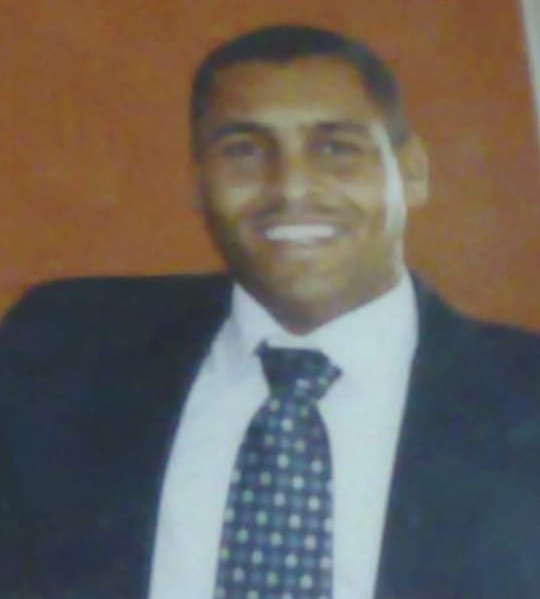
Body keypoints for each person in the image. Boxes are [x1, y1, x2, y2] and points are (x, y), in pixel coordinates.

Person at [1, 24, 540, 599]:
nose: (291, 188)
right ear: (198, 183)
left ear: (412, 173)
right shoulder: (62, 349)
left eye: (336, 148)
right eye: (244, 151)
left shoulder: (522, 395)